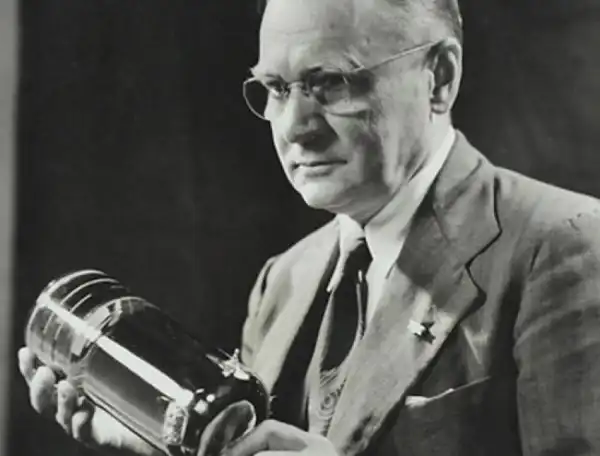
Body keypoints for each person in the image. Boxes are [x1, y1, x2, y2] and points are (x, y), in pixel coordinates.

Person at [18, 0, 600, 454]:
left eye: (333, 83)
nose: (294, 127)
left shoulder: (566, 247)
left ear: (439, 78)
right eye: (275, 88)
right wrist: (162, 437)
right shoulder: (284, 280)